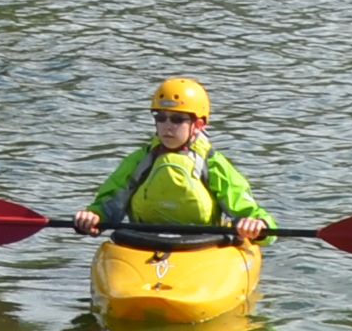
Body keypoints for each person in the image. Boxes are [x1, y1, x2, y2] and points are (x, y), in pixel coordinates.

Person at [74, 78, 270, 248]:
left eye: (177, 119)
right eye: (160, 117)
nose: (167, 126)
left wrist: (257, 224)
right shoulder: (139, 161)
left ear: (199, 125)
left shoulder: (213, 164)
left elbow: (249, 210)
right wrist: (94, 216)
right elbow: (107, 205)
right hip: (141, 243)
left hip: (203, 246)